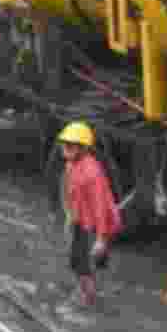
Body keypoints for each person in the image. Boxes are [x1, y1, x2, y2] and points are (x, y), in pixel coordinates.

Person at [58, 121, 122, 309]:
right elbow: (71, 193)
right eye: (64, 144)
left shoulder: (91, 173)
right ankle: (92, 290)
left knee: (83, 264)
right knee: (84, 262)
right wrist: (70, 217)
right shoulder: (71, 164)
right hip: (81, 220)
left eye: (70, 145)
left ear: (82, 148)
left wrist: (101, 238)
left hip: (93, 225)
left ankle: (87, 300)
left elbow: (100, 206)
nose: (64, 148)